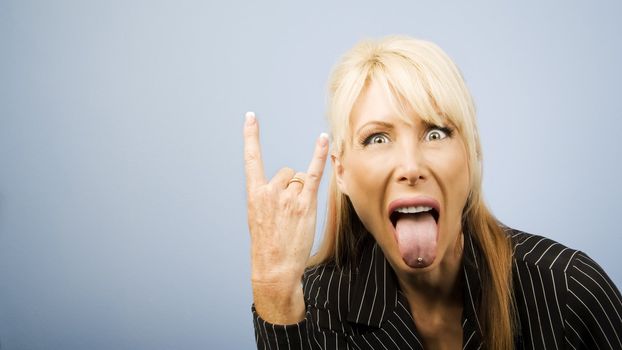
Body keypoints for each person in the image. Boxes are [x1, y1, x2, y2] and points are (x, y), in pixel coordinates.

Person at [243, 36, 622, 349]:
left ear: (472, 154)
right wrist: (273, 291)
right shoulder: (314, 307)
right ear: (341, 173)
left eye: (436, 133)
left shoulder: (569, 290)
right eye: (377, 138)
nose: (411, 167)